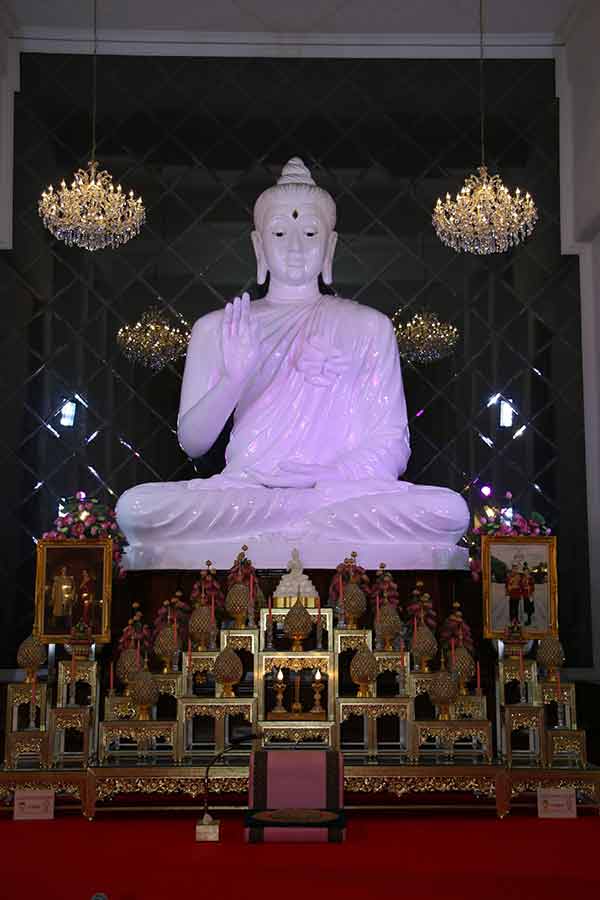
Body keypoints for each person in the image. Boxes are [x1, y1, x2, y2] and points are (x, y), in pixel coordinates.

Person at [116, 158, 469, 568]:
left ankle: (294, 518)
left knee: (447, 511)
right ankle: (300, 521)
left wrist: (327, 478)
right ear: (258, 245)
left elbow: (392, 443)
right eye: (280, 233)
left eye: (310, 233)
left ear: (330, 246)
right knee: (138, 509)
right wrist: (233, 379)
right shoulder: (219, 329)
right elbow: (193, 442)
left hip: (337, 496)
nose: (296, 248)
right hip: (249, 494)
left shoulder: (369, 327)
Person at [521, 561, 535, 626]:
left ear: (528, 571)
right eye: (524, 571)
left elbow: (533, 587)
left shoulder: (530, 578)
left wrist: (529, 587)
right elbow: (521, 586)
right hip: (525, 595)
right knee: (526, 607)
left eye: (526, 571)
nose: (525, 572)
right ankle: (528, 618)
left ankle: (529, 620)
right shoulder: (523, 578)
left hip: (529, 595)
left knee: (529, 607)